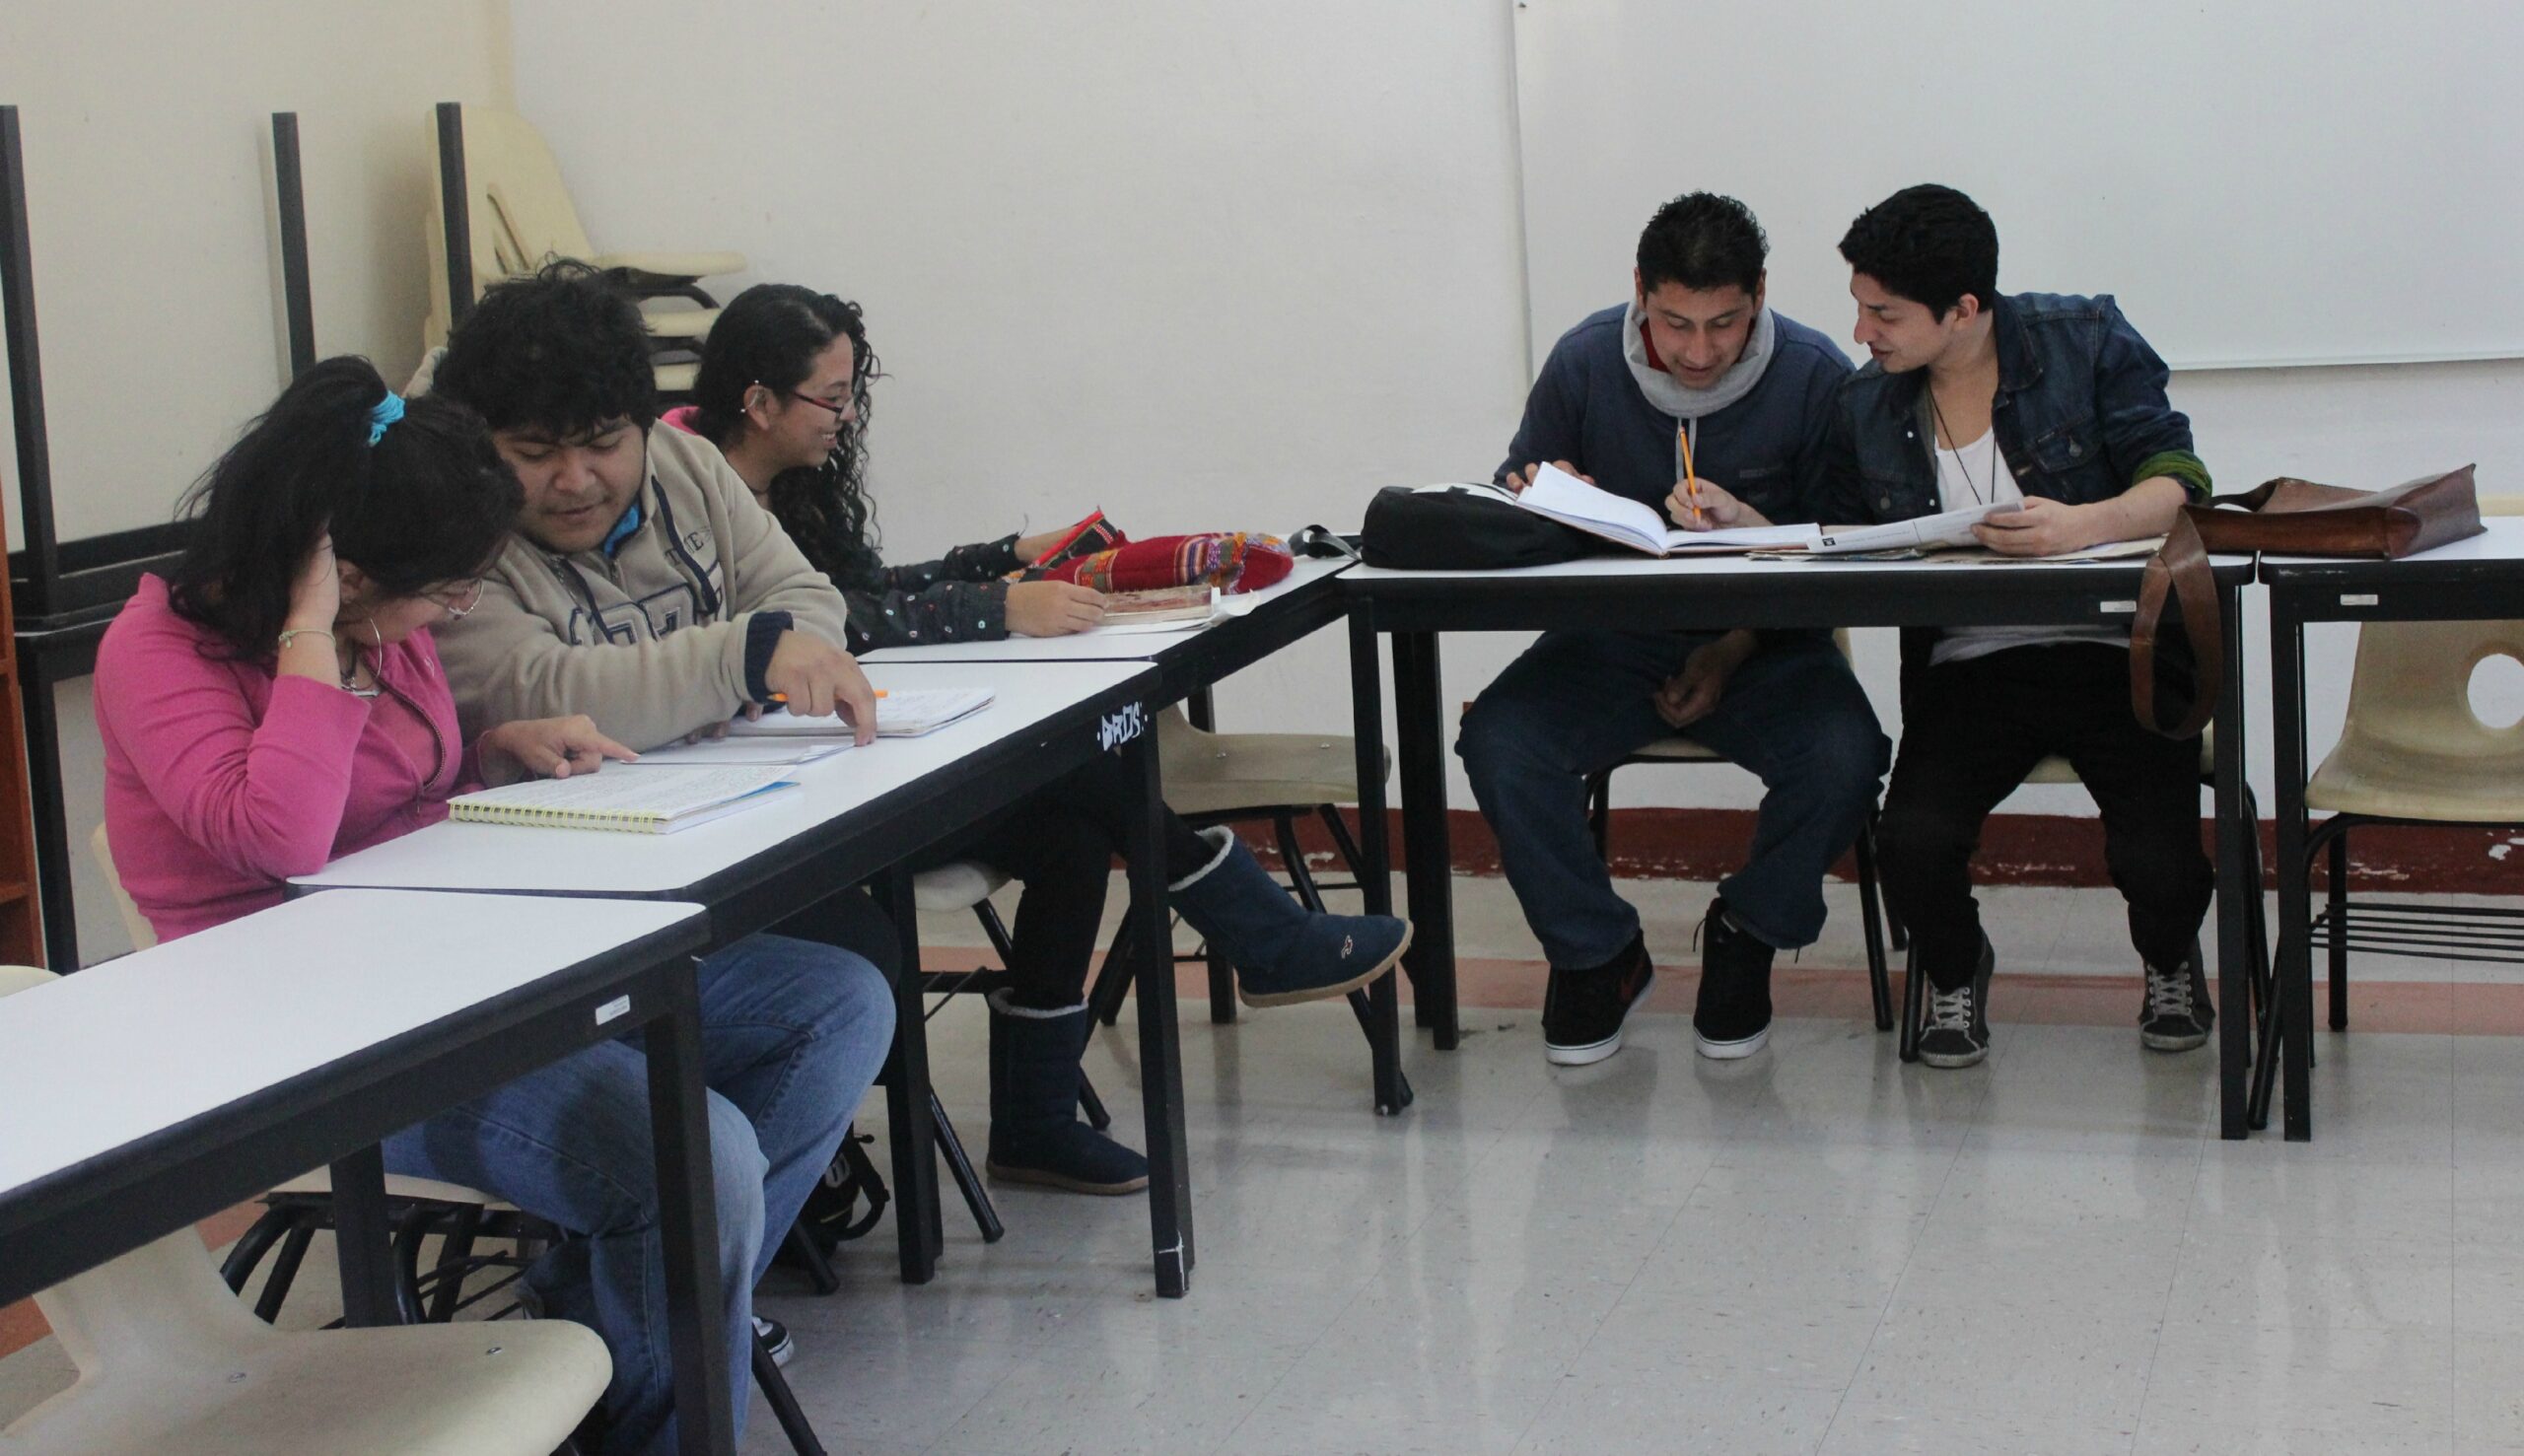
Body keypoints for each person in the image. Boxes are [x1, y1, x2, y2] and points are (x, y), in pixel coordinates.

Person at [431, 265, 1409, 1199]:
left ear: (641, 424)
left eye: (602, 443)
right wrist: (744, 658)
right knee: (963, 874)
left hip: (768, 787)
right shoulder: (462, 534)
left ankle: (1035, 1117)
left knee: (1067, 815)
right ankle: (1252, 934)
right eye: (535, 453)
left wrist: (758, 656)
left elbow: (811, 596)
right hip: (620, 865)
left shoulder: (687, 469)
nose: (575, 478)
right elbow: (536, 685)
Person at [93, 357, 894, 1456]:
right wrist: (311, 633)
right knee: (696, 1160)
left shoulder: (387, 624)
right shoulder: (157, 651)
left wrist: (493, 752)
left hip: (464, 969)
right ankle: (658, 1402)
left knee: (836, 1002)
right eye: (447, 593)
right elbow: (281, 833)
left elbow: (398, 794)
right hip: (317, 1042)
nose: (451, 614)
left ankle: (606, 1324)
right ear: (346, 575)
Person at [1455, 192, 1891, 1066]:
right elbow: (1514, 490)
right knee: (1500, 740)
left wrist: (1735, 627)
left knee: (1847, 757)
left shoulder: (1813, 373)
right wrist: (1546, 495)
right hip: (1608, 640)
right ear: (1640, 293)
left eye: (1724, 324)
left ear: (1760, 295)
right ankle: (1598, 953)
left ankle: (1747, 931)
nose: (1698, 352)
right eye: (1675, 323)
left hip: (1767, 643)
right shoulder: (1586, 360)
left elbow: (1845, 547)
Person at [1817, 183, 2216, 1069]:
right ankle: (1957, 966)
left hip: (2119, 653)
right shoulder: (1866, 405)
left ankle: (2169, 958)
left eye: (1884, 314)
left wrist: (2086, 525)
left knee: (2160, 861)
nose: (1863, 332)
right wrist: (1748, 524)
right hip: (1972, 667)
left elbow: (2182, 482)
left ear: (1963, 309)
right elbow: (1837, 534)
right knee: (1910, 842)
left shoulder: (2086, 338)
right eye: (1860, 307)